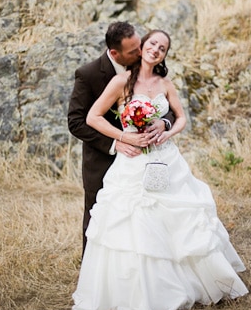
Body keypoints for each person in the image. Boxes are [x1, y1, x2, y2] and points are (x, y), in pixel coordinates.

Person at [72, 29, 248, 310]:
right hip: (132, 163)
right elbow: (91, 117)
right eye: (152, 43)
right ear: (141, 48)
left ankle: (184, 284)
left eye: (163, 47)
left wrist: (167, 131)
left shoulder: (165, 83)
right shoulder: (120, 82)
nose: (156, 49)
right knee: (136, 223)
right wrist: (123, 136)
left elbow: (181, 118)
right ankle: (139, 293)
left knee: (176, 219)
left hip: (166, 159)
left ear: (165, 55)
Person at [67, 21, 174, 252]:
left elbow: (169, 107)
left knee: (147, 212)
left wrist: (163, 123)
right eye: (133, 50)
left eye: (140, 45)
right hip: (103, 157)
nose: (141, 52)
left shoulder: (149, 67)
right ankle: (93, 272)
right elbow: (76, 123)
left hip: (144, 158)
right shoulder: (88, 74)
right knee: (99, 215)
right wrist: (117, 142)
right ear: (115, 53)